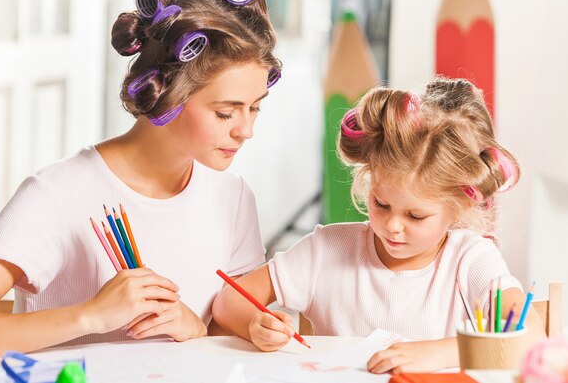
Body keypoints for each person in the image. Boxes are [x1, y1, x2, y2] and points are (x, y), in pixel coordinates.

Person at [0, 0, 281, 360]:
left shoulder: (233, 196)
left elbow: (228, 322)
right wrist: (91, 316)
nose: (246, 130)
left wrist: (198, 330)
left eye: (255, 108)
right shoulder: (58, 193)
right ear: (169, 95)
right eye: (226, 113)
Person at [212, 77, 546, 373]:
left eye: (415, 216)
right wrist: (256, 323)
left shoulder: (470, 259)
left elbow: (530, 336)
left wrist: (440, 353)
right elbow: (230, 302)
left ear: (458, 209)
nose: (392, 226)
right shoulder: (326, 250)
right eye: (381, 204)